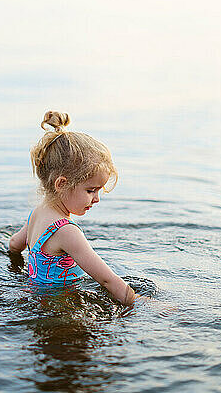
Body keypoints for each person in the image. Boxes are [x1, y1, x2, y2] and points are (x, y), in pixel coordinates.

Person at [8, 110, 137, 308]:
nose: (96, 199)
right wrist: (141, 302)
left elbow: (14, 244)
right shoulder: (66, 231)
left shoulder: (38, 213)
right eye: (91, 190)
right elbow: (107, 280)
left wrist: (16, 265)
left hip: (36, 299)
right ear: (61, 184)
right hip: (60, 308)